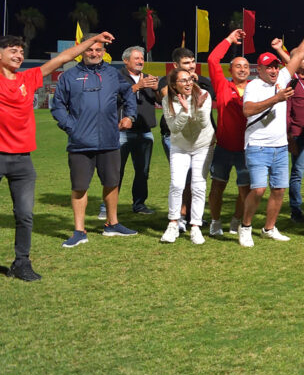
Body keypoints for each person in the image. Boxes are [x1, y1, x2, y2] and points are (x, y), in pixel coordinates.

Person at [1, 32, 115, 279]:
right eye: (12, 50)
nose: (18, 55)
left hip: (23, 160)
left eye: (21, 51)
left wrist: (93, 39)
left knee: (24, 214)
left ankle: (21, 263)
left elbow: (65, 57)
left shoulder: (28, 78)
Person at [52, 33, 139, 247]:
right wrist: (73, 128)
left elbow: (128, 94)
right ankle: (79, 231)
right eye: (90, 49)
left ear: (104, 52)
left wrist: (130, 116)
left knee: (111, 183)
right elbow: (57, 106)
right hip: (80, 143)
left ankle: (112, 224)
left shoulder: (112, 74)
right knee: (80, 186)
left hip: (109, 140)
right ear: (82, 50)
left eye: (98, 49)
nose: (94, 53)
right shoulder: (69, 77)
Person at [238, 18, 304, 247]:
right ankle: (245, 227)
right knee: (259, 189)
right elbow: (247, 110)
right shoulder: (254, 86)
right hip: (258, 146)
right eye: (268, 67)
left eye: (275, 66)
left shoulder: (283, 77)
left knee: (279, 189)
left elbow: (300, 54)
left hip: (280, 147)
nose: (274, 70)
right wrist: (276, 98)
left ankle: (269, 228)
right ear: (259, 69)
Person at [160, 68, 215, 244]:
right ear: (174, 85)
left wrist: (197, 108)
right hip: (180, 146)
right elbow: (174, 128)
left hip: (203, 145)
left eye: (190, 79)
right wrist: (184, 111)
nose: (188, 83)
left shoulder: (203, 94)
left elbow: (204, 123)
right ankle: (173, 223)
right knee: (177, 184)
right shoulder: (167, 99)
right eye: (183, 81)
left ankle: (196, 227)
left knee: (198, 186)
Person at [206, 29, 251, 236]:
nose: (242, 70)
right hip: (224, 147)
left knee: (245, 190)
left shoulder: (255, 88)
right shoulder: (223, 86)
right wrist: (229, 40)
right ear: (231, 70)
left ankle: (236, 220)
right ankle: (215, 222)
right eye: (238, 66)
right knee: (217, 187)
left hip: (247, 149)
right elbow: (213, 59)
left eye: (245, 66)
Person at [115, 45, 157, 215]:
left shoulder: (149, 78)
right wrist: (137, 86)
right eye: (137, 58)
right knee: (116, 171)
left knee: (143, 171)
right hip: (121, 132)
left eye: (142, 58)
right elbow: (113, 98)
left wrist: (156, 90)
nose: (141, 61)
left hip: (145, 131)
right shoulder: (117, 77)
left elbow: (160, 99)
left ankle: (139, 204)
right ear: (126, 61)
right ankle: (108, 207)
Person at [279, 41, 304, 222]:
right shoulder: (291, 82)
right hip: (298, 135)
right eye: (303, 56)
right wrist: (289, 136)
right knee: (297, 173)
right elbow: (287, 111)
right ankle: (295, 210)